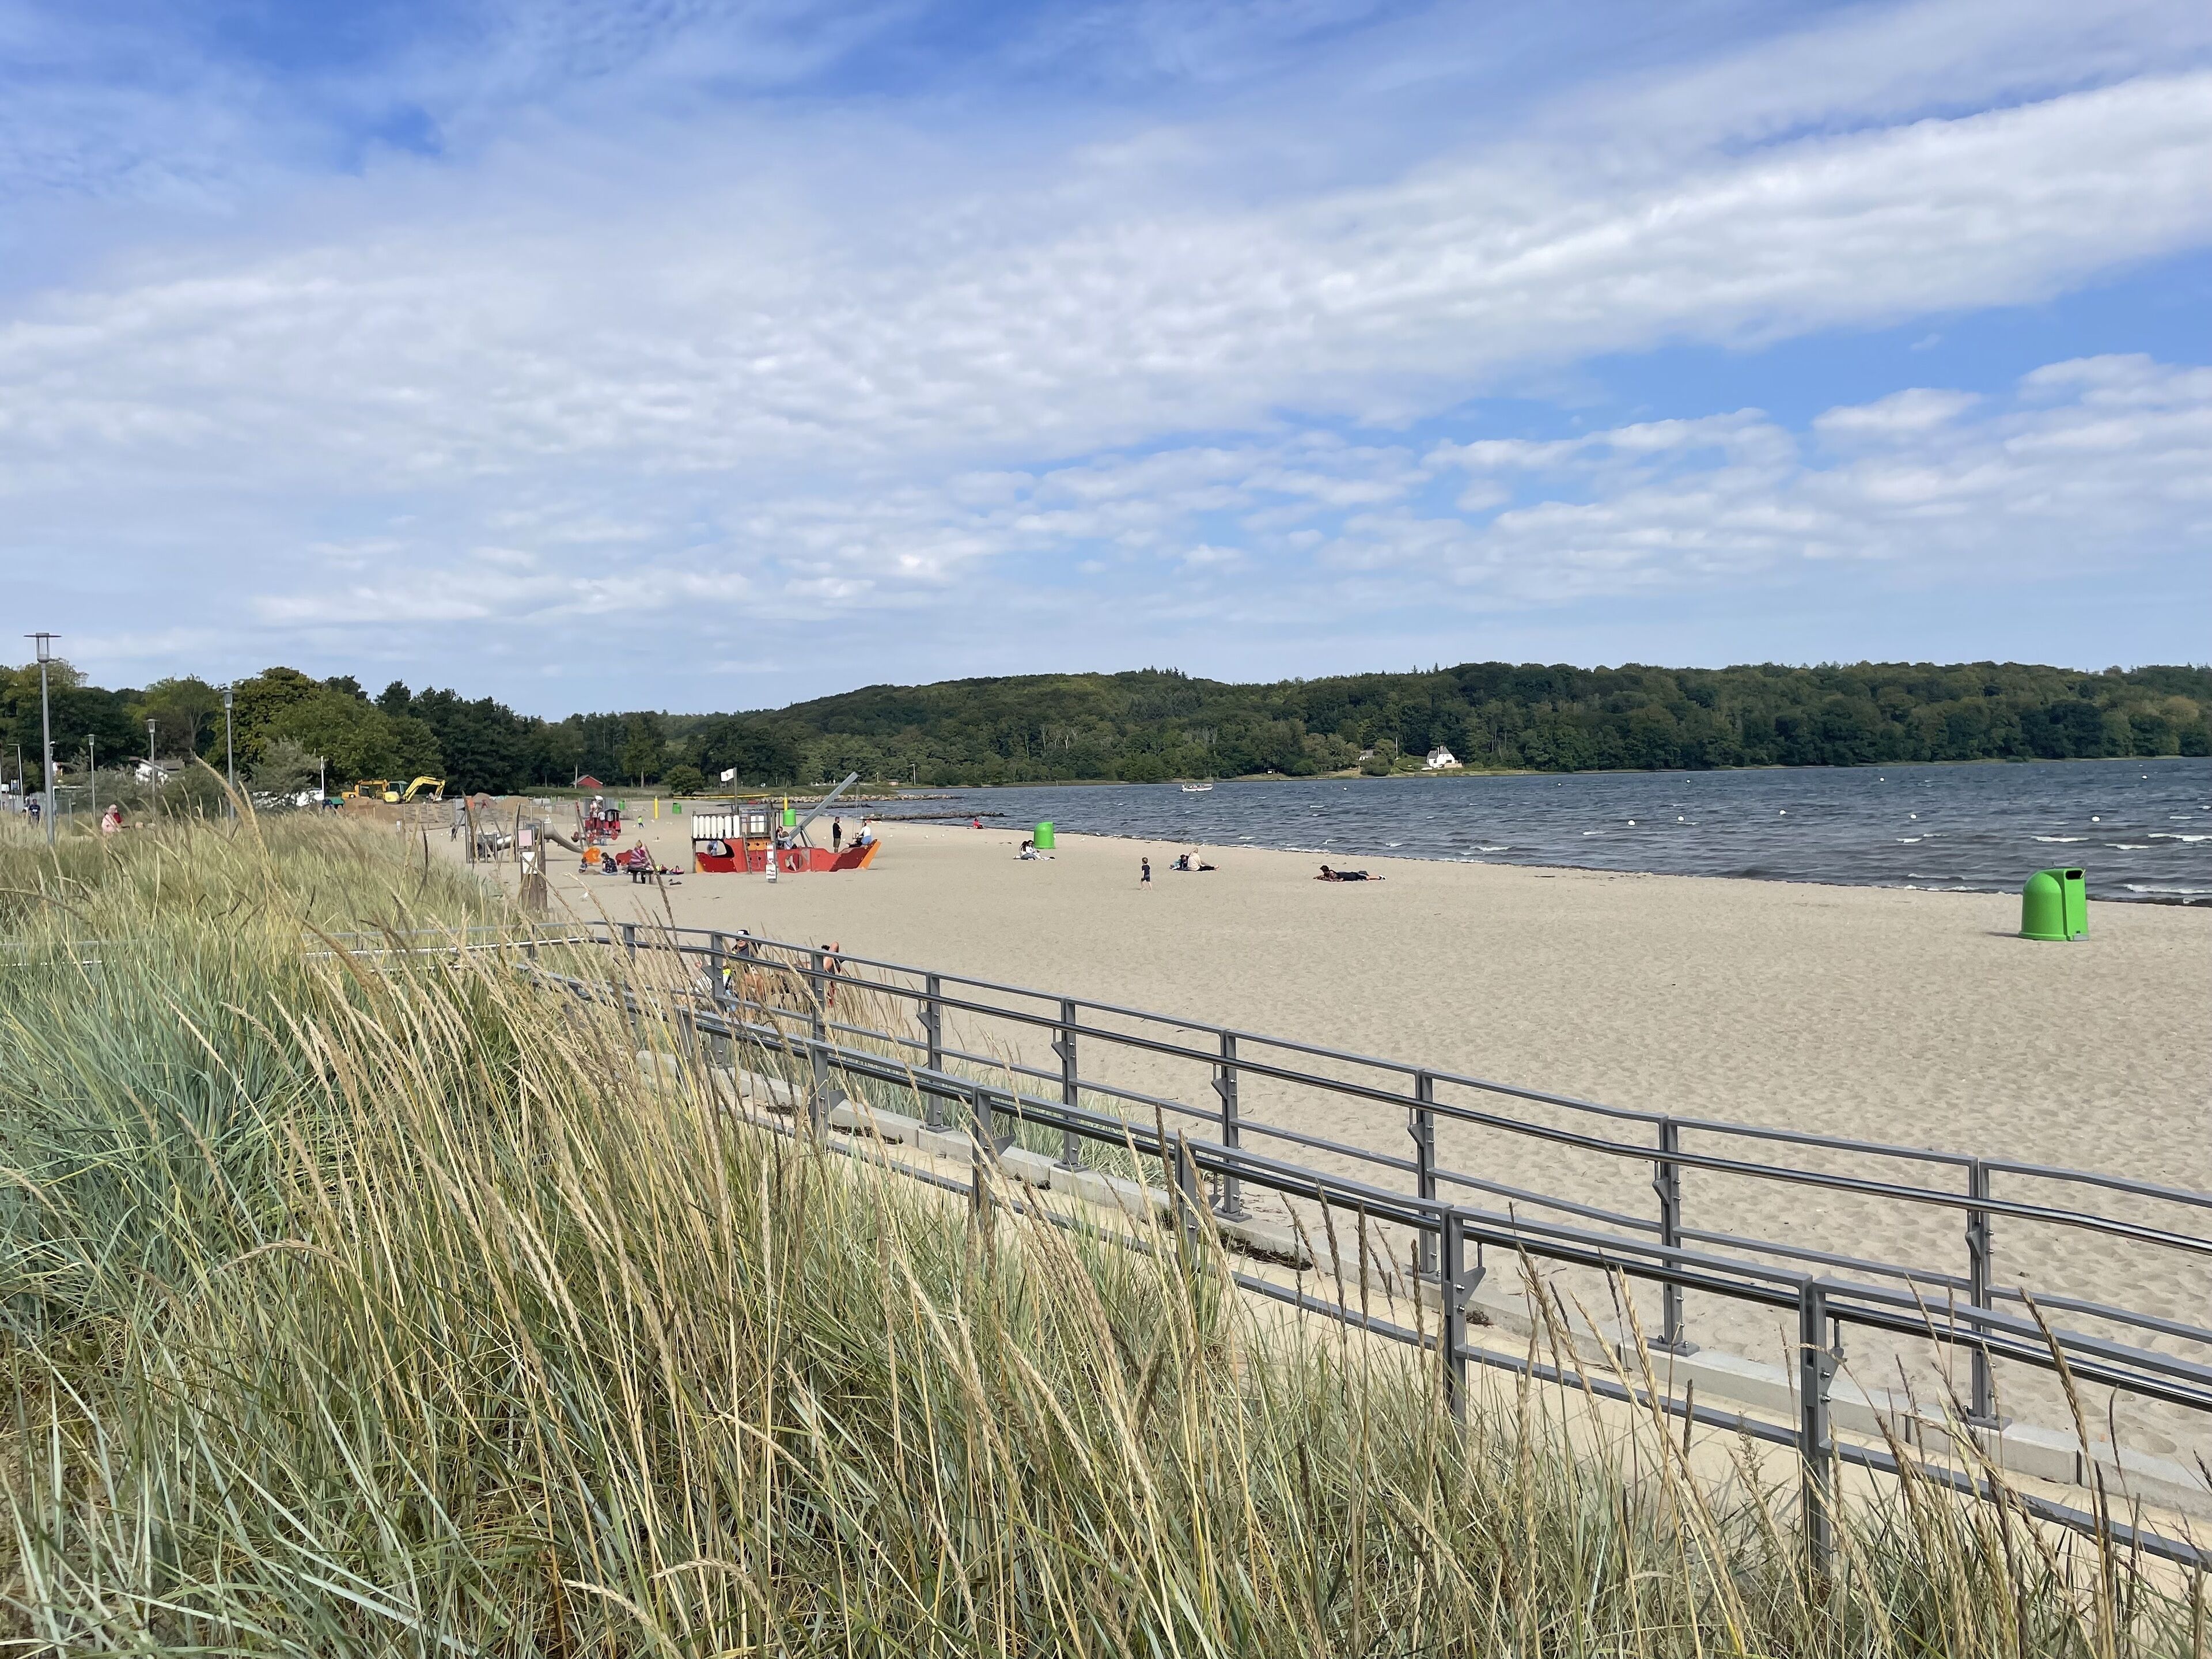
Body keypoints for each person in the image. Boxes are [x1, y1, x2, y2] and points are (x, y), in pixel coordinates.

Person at [1316, 865, 1381, 881]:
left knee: (1367, 878)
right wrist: (1319, 877)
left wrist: (1322, 879)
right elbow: (1325, 876)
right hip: (1348, 875)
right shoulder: (1329, 873)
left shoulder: (1331, 873)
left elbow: (1331, 880)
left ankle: (1379, 877)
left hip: (1352, 877)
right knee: (1362, 876)